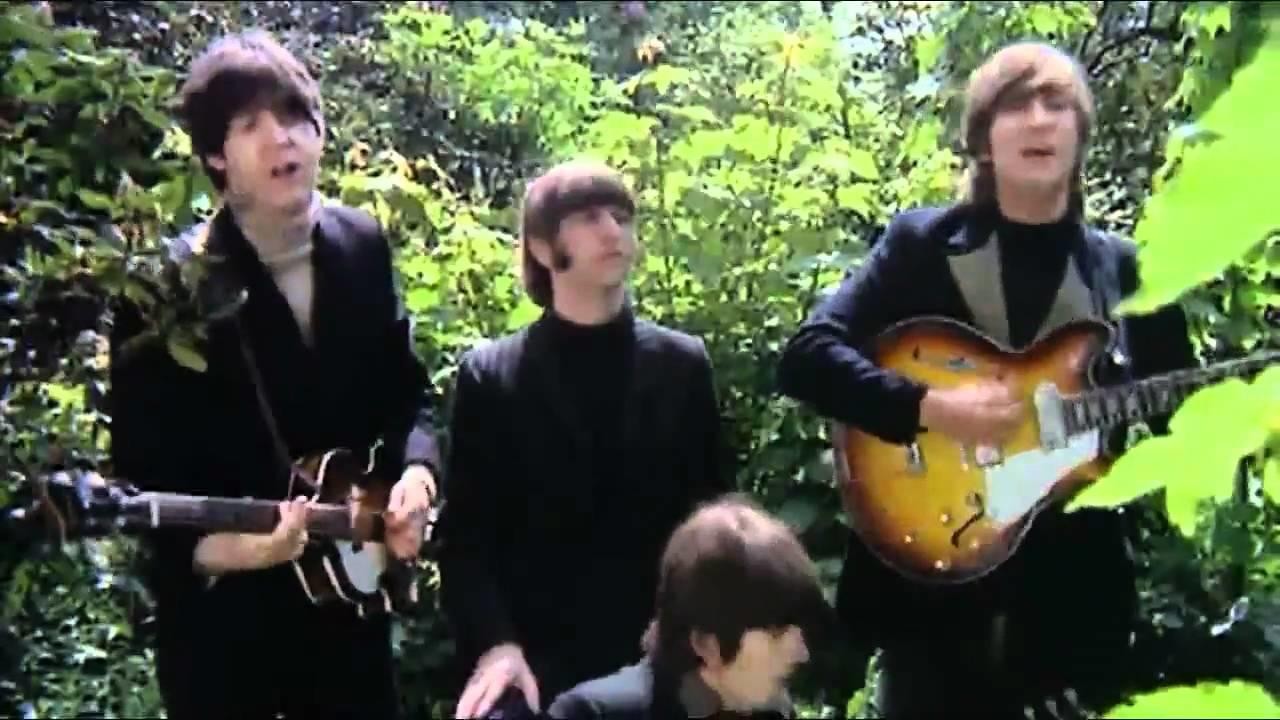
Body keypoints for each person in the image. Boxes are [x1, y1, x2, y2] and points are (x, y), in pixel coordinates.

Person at [775, 42, 1197, 719]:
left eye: (1057, 104)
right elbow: (806, 357)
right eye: (1017, 105)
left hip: (1071, 620)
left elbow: (1190, 420)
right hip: (930, 614)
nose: (1039, 120)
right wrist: (931, 408)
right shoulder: (920, 246)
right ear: (982, 140)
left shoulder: (1126, 272)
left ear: (1081, 134)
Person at [108, 30, 440, 719]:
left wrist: (417, 477)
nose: (280, 138)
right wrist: (247, 550)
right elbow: (144, 478)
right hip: (227, 639)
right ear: (214, 156)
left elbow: (407, 394)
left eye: (293, 117)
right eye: (250, 125)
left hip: (350, 614)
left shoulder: (360, 244)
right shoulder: (168, 287)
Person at [435, 159, 733, 718]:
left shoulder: (681, 364)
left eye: (622, 216)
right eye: (590, 217)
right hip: (536, 657)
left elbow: (715, 522)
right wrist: (497, 647)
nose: (613, 231)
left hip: (664, 652)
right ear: (542, 247)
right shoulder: (493, 375)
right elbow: (465, 541)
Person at [546, 494, 832, 719]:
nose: (801, 653)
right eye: (777, 634)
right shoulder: (592, 714)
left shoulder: (769, 710)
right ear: (707, 645)